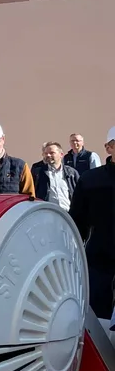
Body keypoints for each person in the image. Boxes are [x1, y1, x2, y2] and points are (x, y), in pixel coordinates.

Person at [69, 127, 115, 320]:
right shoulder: (90, 180)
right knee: (98, 320)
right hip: (100, 260)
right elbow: (77, 222)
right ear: (108, 148)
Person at [31, 141, 78, 211]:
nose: (48, 155)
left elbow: (79, 194)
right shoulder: (38, 173)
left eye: (52, 153)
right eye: (46, 153)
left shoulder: (71, 173)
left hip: (68, 214)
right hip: (47, 213)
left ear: (61, 154)